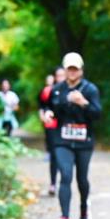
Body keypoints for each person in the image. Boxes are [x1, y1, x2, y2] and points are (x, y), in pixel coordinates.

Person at [44, 52, 102, 219]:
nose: (72, 72)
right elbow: (51, 107)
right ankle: (65, 217)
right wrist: (48, 113)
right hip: (63, 139)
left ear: (81, 70)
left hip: (84, 140)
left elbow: (97, 114)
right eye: (69, 68)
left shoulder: (90, 89)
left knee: (81, 178)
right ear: (64, 69)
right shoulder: (57, 89)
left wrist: (83, 102)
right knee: (66, 175)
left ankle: (84, 207)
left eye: (75, 68)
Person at [38, 68, 66, 196]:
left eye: (62, 75)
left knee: (65, 156)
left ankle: (65, 181)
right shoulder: (50, 91)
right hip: (53, 126)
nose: (60, 77)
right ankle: (53, 183)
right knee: (54, 154)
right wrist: (44, 114)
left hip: (68, 129)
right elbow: (44, 105)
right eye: (58, 75)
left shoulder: (73, 90)